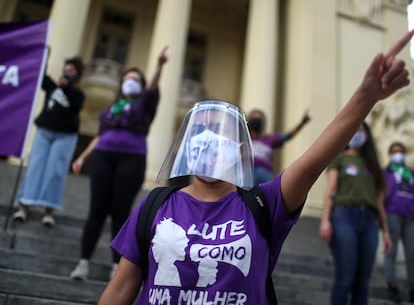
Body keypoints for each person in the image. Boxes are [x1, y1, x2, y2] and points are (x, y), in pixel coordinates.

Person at [98, 30, 414, 305]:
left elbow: (313, 160)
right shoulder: (156, 205)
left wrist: (365, 97)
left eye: (221, 134)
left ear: (238, 151)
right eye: (201, 132)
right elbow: (122, 287)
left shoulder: (265, 203)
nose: (209, 141)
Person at [69, 46, 168, 281]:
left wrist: (159, 66)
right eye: (126, 79)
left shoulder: (144, 104)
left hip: (131, 158)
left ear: (141, 85)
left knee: (120, 211)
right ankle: (83, 262)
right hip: (104, 155)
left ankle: (117, 266)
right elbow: (100, 135)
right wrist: (83, 156)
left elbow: (152, 87)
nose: (129, 82)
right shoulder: (111, 109)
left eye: (134, 79)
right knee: (97, 210)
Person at [319, 121, 392, 305]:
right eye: (354, 130)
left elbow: (379, 202)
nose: (357, 134)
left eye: (360, 130)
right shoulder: (340, 158)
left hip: (369, 221)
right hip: (344, 217)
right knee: (345, 277)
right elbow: (331, 190)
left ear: (367, 136)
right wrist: (325, 219)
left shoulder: (374, 167)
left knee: (363, 283)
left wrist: (386, 231)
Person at [12, 56, 85, 227]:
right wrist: (44, 56)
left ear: (78, 74)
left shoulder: (78, 94)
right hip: (44, 131)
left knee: (55, 172)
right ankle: (24, 205)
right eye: (66, 69)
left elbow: (75, 106)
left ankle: (49, 210)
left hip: (65, 136)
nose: (67, 72)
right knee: (35, 167)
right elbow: (41, 77)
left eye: (71, 70)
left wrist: (67, 88)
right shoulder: (53, 86)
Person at [383, 141, 414, 303]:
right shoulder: (385, 172)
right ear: (389, 154)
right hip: (392, 215)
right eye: (395, 151)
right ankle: (392, 285)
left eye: (401, 151)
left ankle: (412, 287)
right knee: (391, 251)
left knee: (412, 254)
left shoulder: (411, 173)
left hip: (410, 218)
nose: (398, 154)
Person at [247, 108, 310, 185]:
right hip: (247, 172)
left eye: (259, 119)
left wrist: (301, 124)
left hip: (265, 174)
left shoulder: (269, 139)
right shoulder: (243, 139)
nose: (256, 121)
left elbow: (287, 136)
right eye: (254, 119)